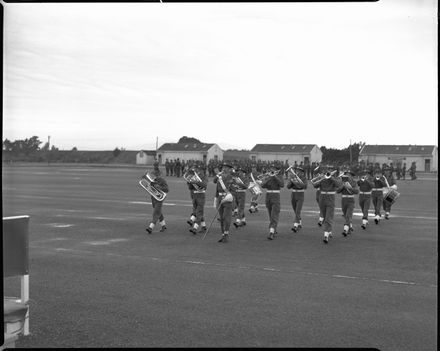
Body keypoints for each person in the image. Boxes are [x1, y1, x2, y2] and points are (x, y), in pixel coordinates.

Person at [314, 166, 343, 244]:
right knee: (324, 216)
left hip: (330, 199)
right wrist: (320, 178)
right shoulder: (323, 178)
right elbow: (314, 185)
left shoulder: (336, 178)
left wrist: (332, 178)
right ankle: (329, 230)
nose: (328, 172)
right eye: (328, 170)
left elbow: (339, 185)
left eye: (330, 170)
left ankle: (326, 235)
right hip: (322, 199)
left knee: (328, 217)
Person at [260, 164, 285, 240]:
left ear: (277, 170)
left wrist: (275, 177)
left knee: (274, 214)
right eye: (271, 168)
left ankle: (271, 232)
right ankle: (274, 228)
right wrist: (268, 178)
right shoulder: (268, 176)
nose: (272, 170)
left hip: (275, 196)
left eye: (273, 169)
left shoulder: (279, 176)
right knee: (270, 215)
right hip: (268, 196)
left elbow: (282, 184)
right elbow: (263, 185)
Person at [144, 165, 169, 234]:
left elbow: (167, 189)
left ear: (159, 174)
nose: (154, 176)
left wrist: (159, 187)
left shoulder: (162, 180)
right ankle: (163, 226)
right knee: (158, 211)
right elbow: (150, 189)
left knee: (156, 213)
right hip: (153, 198)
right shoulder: (153, 180)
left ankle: (150, 227)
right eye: (154, 174)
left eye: (155, 174)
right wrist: (148, 186)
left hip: (159, 198)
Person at [213, 163, 235, 243]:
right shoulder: (220, 177)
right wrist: (215, 199)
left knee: (226, 217)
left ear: (229, 169)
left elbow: (234, 190)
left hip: (228, 199)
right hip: (220, 198)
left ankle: (226, 234)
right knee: (221, 218)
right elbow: (214, 182)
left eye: (226, 167)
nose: (224, 169)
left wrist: (229, 196)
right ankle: (223, 234)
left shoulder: (232, 178)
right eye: (223, 167)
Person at [186, 165, 208, 234]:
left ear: (202, 170)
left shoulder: (204, 177)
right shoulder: (194, 176)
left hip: (201, 195)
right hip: (195, 195)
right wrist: (189, 182)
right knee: (198, 212)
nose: (197, 170)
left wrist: (195, 181)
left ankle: (195, 228)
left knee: (199, 212)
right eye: (197, 169)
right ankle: (203, 226)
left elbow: (204, 186)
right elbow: (190, 188)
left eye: (198, 169)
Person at [337, 168, 359, 236]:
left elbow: (357, 191)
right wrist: (342, 186)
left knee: (348, 215)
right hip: (343, 200)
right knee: (346, 215)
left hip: (350, 200)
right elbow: (337, 191)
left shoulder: (354, 182)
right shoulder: (342, 182)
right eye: (346, 174)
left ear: (352, 176)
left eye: (349, 175)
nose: (347, 176)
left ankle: (345, 230)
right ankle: (349, 227)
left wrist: (350, 188)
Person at [286, 166, 308, 233]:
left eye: (300, 171)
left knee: (298, 211)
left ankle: (295, 226)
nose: (298, 172)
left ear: (302, 173)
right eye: (297, 171)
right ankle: (299, 222)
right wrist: (292, 181)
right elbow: (288, 187)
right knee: (295, 210)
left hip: (300, 195)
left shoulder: (304, 178)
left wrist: (298, 182)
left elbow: (305, 186)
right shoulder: (293, 177)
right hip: (293, 195)